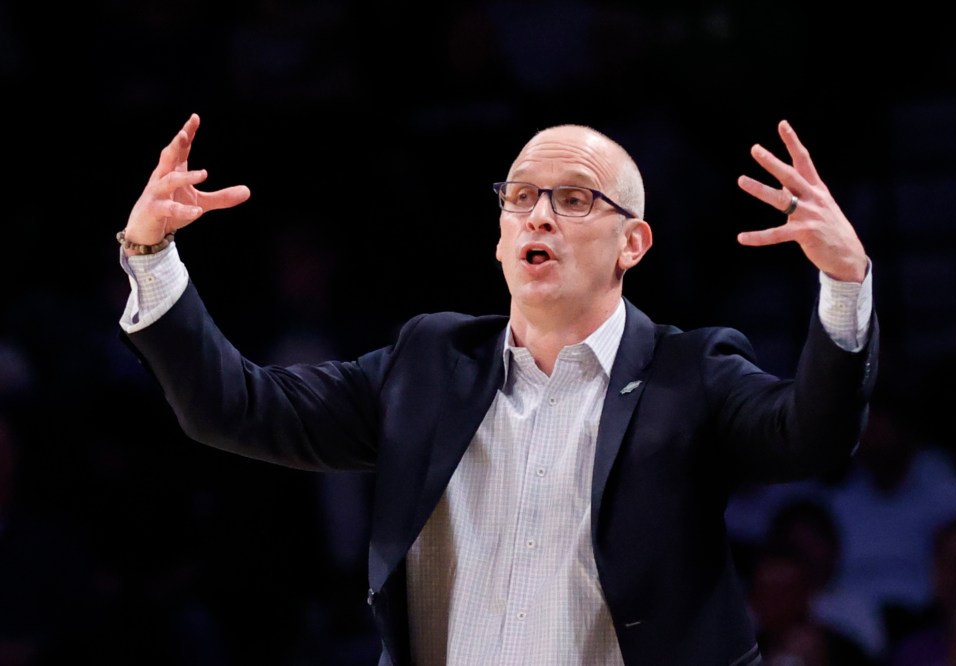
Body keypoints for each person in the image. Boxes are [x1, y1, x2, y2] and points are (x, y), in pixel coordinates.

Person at [115, 113, 878, 666]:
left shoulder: (691, 375)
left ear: (632, 243)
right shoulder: (427, 364)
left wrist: (843, 282)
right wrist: (152, 256)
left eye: (574, 199)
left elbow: (809, 434)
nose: (539, 213)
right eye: (520, 197)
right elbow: (237, 408)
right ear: (501, 235)